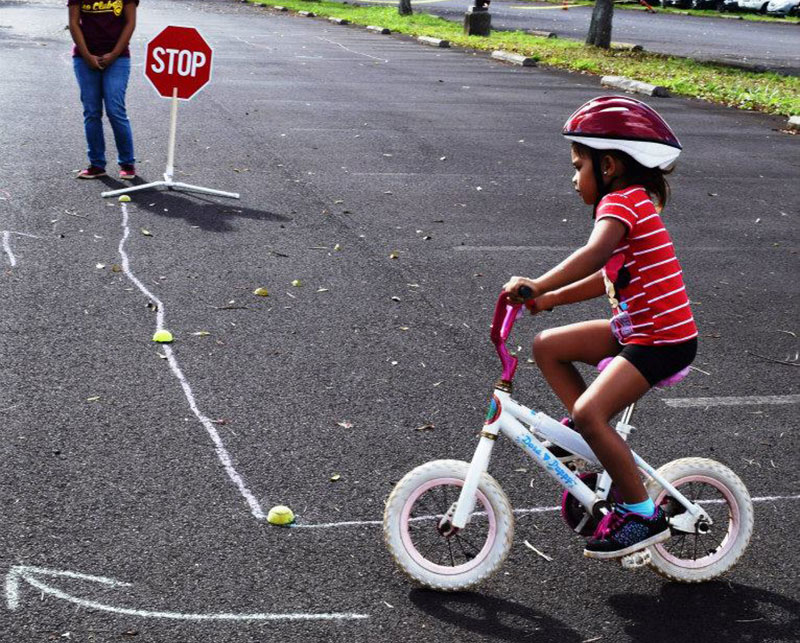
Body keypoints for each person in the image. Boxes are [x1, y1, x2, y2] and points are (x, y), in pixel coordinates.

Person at [503, 96, 698, 560]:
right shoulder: (629, 202)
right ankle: (586, 438)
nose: (573, 179)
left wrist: (537, 284)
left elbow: (594, 255)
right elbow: (607, 274)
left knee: (592, 412)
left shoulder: (623, 202)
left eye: (578, 166)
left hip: (662, 341)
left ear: (607, 165)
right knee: (547, 345)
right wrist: (550, 300)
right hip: (635, 328)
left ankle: (642, 514)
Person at [68, 0, 139, 180]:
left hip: (118, 58)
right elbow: (74, 23)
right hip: (84, 58)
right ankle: (97, 165)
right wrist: (86, 56)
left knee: (115, 110)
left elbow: (130, 22)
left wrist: (114, 54)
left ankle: (127, 163)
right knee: (91, 112)